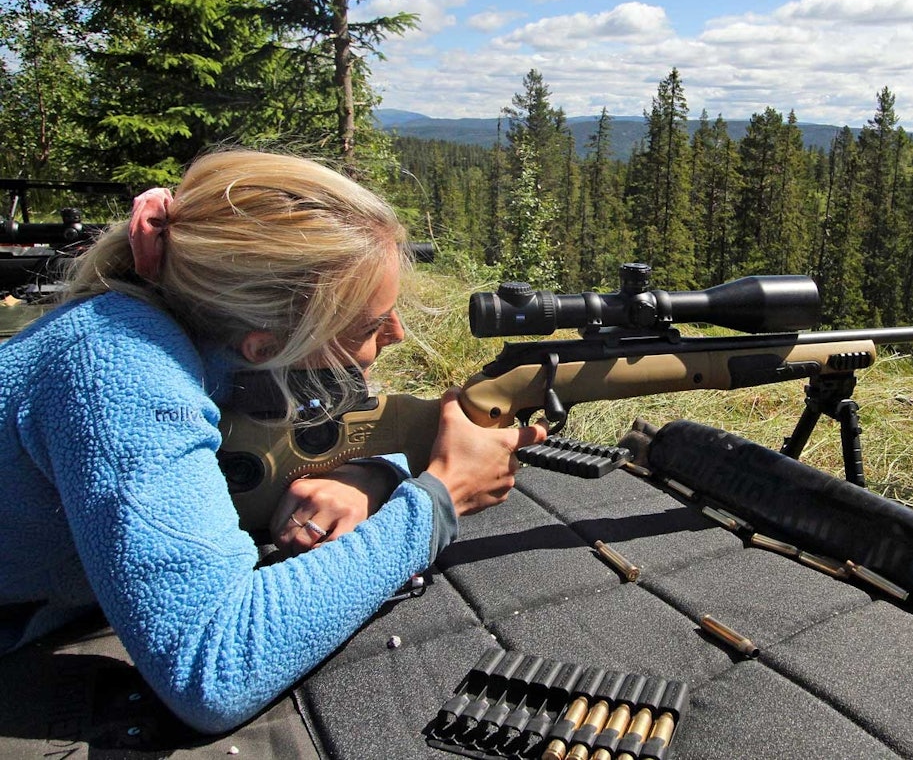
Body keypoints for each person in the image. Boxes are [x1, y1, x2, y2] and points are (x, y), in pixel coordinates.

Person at [0, 150, 546, 733]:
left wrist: (369, 476)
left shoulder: (200, 335)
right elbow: (211, 668)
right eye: (369, 325)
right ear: (265, 346)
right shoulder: (122, 373)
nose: (397, 333)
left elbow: (290, 437)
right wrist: (439, 499)